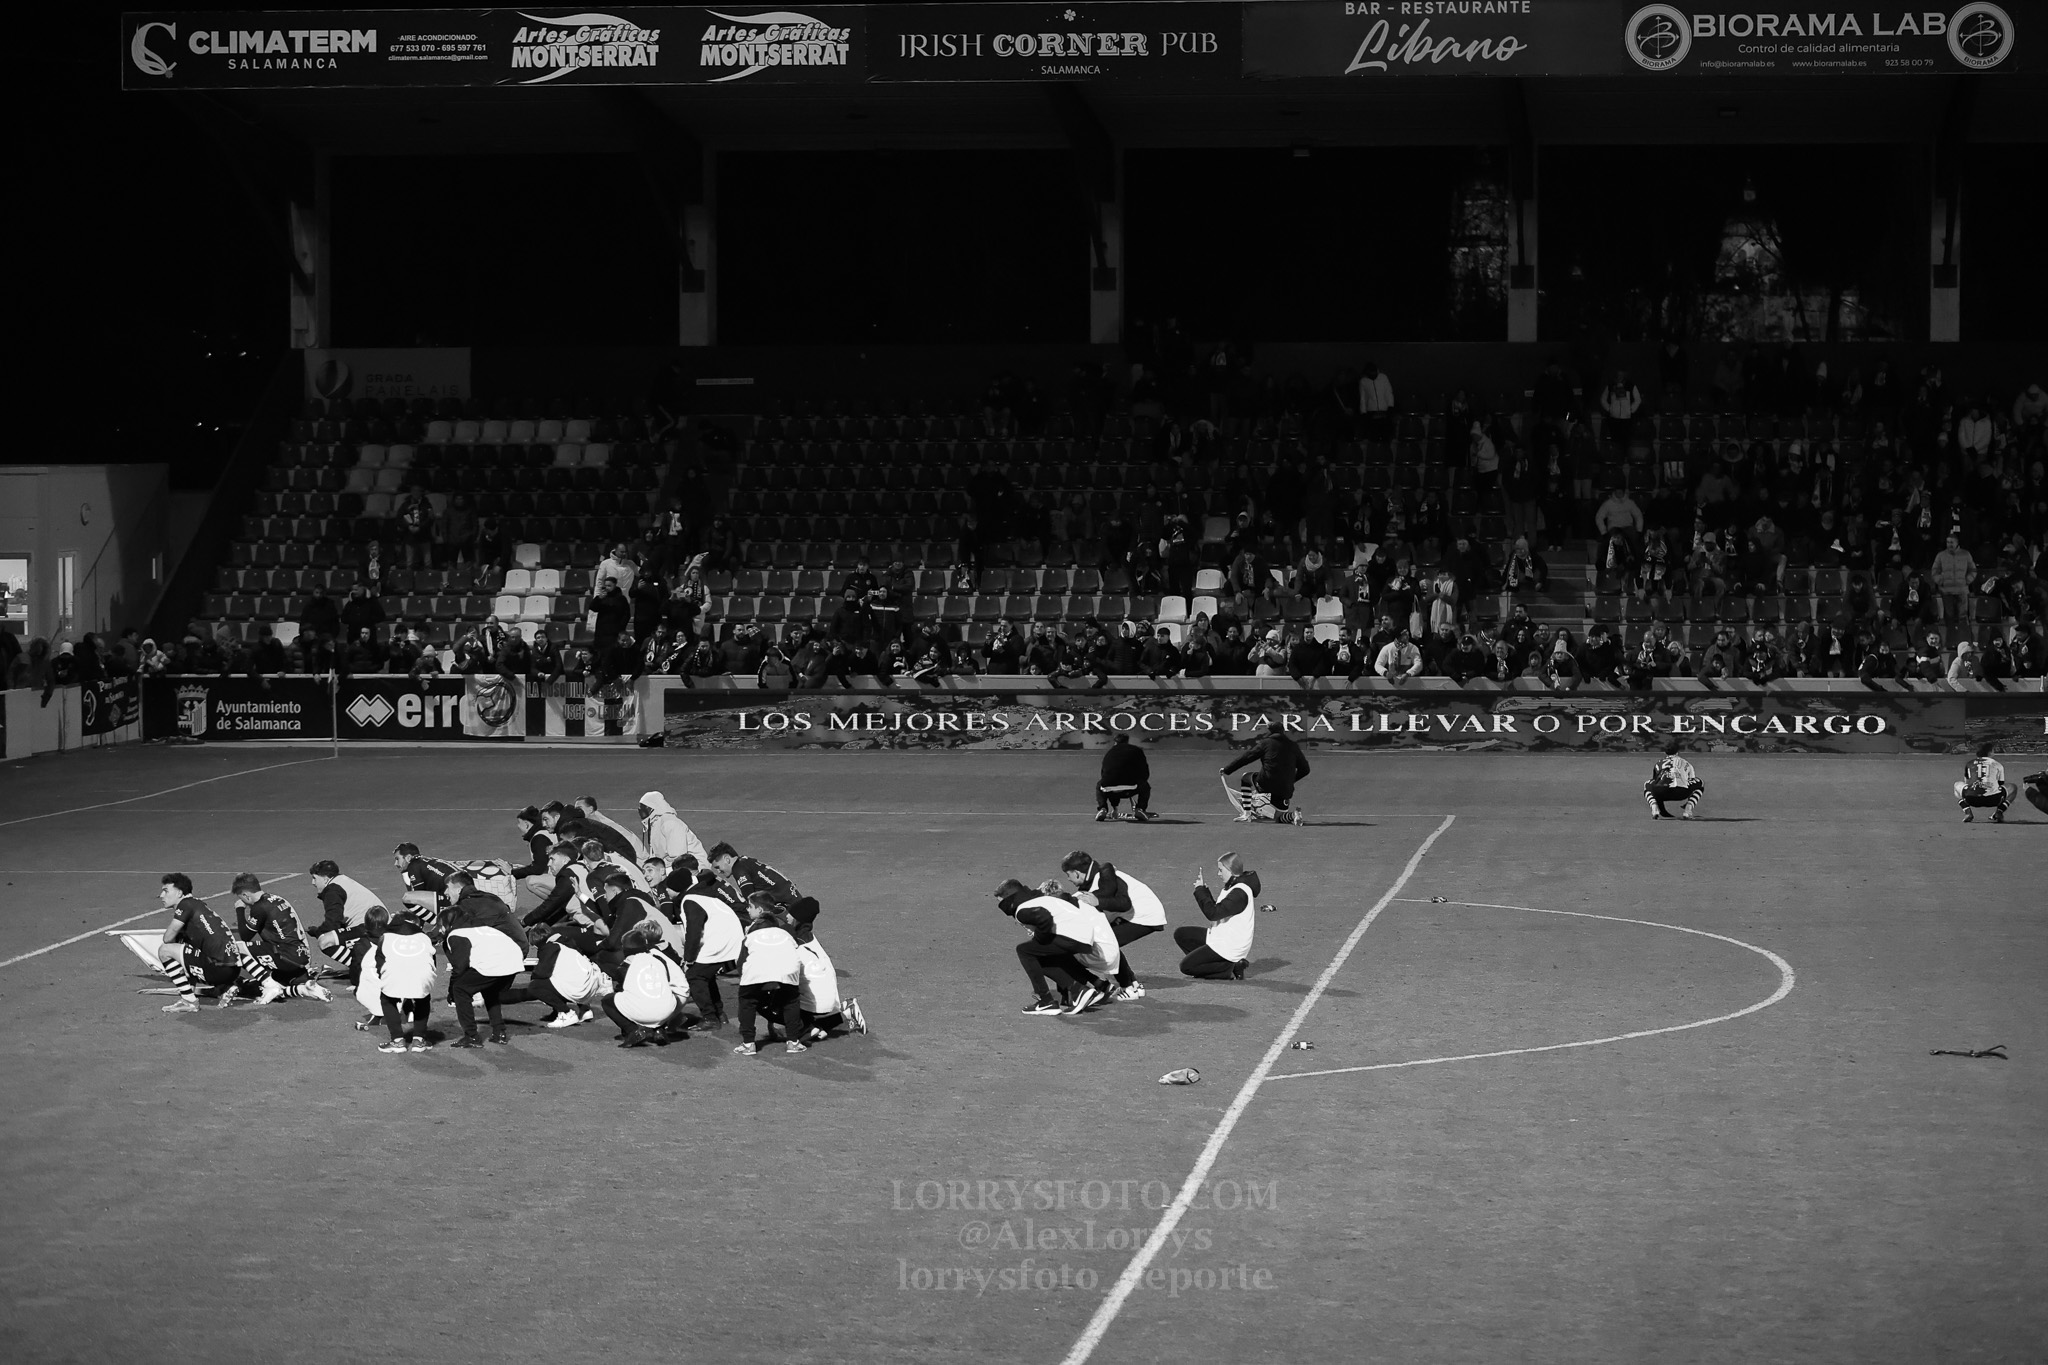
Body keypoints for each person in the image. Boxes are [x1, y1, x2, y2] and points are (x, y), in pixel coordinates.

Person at [994, 877, 1119, 1017]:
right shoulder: (1038, 899)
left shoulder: (1022, 910)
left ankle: (1046, 1001)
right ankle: (1084, 989)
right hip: (1084, 936)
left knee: (1024, 951)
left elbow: (1044, 918)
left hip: (1075, 937)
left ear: (1010, 900)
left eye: (1002, 903)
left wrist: (1041, 940)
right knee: (1041, 955)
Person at [440, 869, 528, 1047]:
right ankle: (499, 1032)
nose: (445, 893)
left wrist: (452, 991)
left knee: (461, 989)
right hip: (513, 951)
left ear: (458, 888)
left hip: (504, 952)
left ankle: (472, 1036)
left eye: (448, 888)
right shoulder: (487, 898)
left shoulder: (467, 906)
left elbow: (460, 961)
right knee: (490, 988)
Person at [1062, 850, 1166, 1001]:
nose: (1068, 879)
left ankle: (1129, 988)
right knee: (1107, 940)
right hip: (1135, 914)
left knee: (1108, 943)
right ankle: (1134, 985)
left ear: (1077, 873)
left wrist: (1098, 902)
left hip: (1145, 915)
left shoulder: (1104, 877)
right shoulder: (1096, 878)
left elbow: (1124, 903)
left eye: (1068, 874)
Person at [229, 874, 331, 1004]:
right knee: (278, 985)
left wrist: (240, 909)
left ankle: (269, 985)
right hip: (301, 957)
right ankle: (305, 989)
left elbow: (245, 935)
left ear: (246, 895)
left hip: (286, 955)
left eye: (241, 898)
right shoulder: (277, 899)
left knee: (237, 948)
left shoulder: (259, 907)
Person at [153, 873, 244, 1013]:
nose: (161, 896)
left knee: (165, 950)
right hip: (232, 971)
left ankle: (189, 1001)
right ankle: (224, 987)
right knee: (185, 951)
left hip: (218, 970)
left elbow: (167, 938)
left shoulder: (185, 905)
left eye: (166, 891)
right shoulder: (198, 905)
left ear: (179, 893)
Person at [732, 896, 807, 1056]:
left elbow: (740, 963)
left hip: (756, 971)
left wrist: (747, 983)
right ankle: (793, 1042)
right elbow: (796, 954)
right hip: (787, 970)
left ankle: (748, 1044)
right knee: (791, 1001)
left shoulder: (751, 936)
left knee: (747, 1002)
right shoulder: (786, 932)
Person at [604, 925, 697, 1049]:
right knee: (657, 992)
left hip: (666, 1000)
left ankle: (633, 1031)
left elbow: (623, 986)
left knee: (609, 1000)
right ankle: (660, 1028)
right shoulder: (657, 956)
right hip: (674, 999)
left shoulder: (630, 961)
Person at [679, 871, 746, 1030]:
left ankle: (710, 1018)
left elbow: (694, 933)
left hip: (724, 946)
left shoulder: (690, 900)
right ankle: (719, 1014)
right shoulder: (703, 894)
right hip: (732, 942)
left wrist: (688, 959)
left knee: (694, 975)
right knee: (704, 974)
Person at [1176, 853, 1259, 980]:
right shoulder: (1233, 887)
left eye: (1221, 870)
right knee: (1181, 934)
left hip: (1229, 946)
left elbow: (1213, 914)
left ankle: (1229, 968)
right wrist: (1204, 891)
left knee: (1186, 967)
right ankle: (1218, 965)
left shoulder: (1240, 892)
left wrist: (1200, 890)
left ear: (1230, 869)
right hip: (1220, 937)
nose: (1218, 874)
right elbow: (1219, 909)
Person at [1220, 719, 1312, 826]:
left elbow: (1247, 757)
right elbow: (1305, 769)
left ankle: (1247, 814)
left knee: (1246, 778)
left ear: (1270, 731)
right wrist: (1290, 781)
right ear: (1283, 731)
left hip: (1266, 785)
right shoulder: (1293, 745)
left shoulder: (1266, 743)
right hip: (1285, 790)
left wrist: (1227, 769)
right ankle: (1293, 815)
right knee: (1279, 818)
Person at [305, 859, 387, 975]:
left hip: (369, 928)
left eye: (314, 878)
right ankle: (366, 963)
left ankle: (361, 969)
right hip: (380, 926)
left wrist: (318, 932)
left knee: (325, 941)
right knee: (338, 935)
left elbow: (333, 923)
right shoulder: (342, 881)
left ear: (325, 878)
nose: (313, 882)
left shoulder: (332, 891)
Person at [639, 791, 708, 868]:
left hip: (695, 867)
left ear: (651, 807)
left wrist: (657, 867)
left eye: (643, 807)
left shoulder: (670, 823)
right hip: (676, 865)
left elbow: (678, 857)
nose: (639, 810)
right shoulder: (655, 824)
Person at [1096, 731, 1154, 821]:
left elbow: (1105, 775)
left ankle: (1103, 808)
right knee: (1145, 786)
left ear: (1115, 742)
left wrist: (1115, 806)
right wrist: (1138, 781)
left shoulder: (1109, 752)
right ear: (1127, 741)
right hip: (1131, 786)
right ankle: (1140, 809)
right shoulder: (1137, 750)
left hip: (1109, 788)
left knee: (1101, 785)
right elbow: (1145, 772)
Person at [1954, 742, 2015, 824]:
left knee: (1957, 785)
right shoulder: (1997, 764)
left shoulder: (1969, 763)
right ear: (1989, 752)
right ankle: (1999, 812)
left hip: (1971, 799)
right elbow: (2001, 783)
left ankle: (1967, 812)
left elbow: (1967, 782)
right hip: (1993, 799)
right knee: (2013, 787)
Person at [1644, 739, 1704, 820]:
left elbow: (1656, 781)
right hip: (1681, 792)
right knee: (1700, 783)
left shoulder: (1659, 763)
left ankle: (1654, 807)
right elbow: (1692, 779)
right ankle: (1688, 810)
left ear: (1665, 752)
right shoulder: (1686, 763)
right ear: (1677, 752)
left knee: (1648, 784)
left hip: (1661, 792)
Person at [575, 795, 645, 860]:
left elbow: (632, 844)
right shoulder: (594, 820)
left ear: (590, 809)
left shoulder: (605, 826)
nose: (576, 811)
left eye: (579, 808)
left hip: (635, 858)